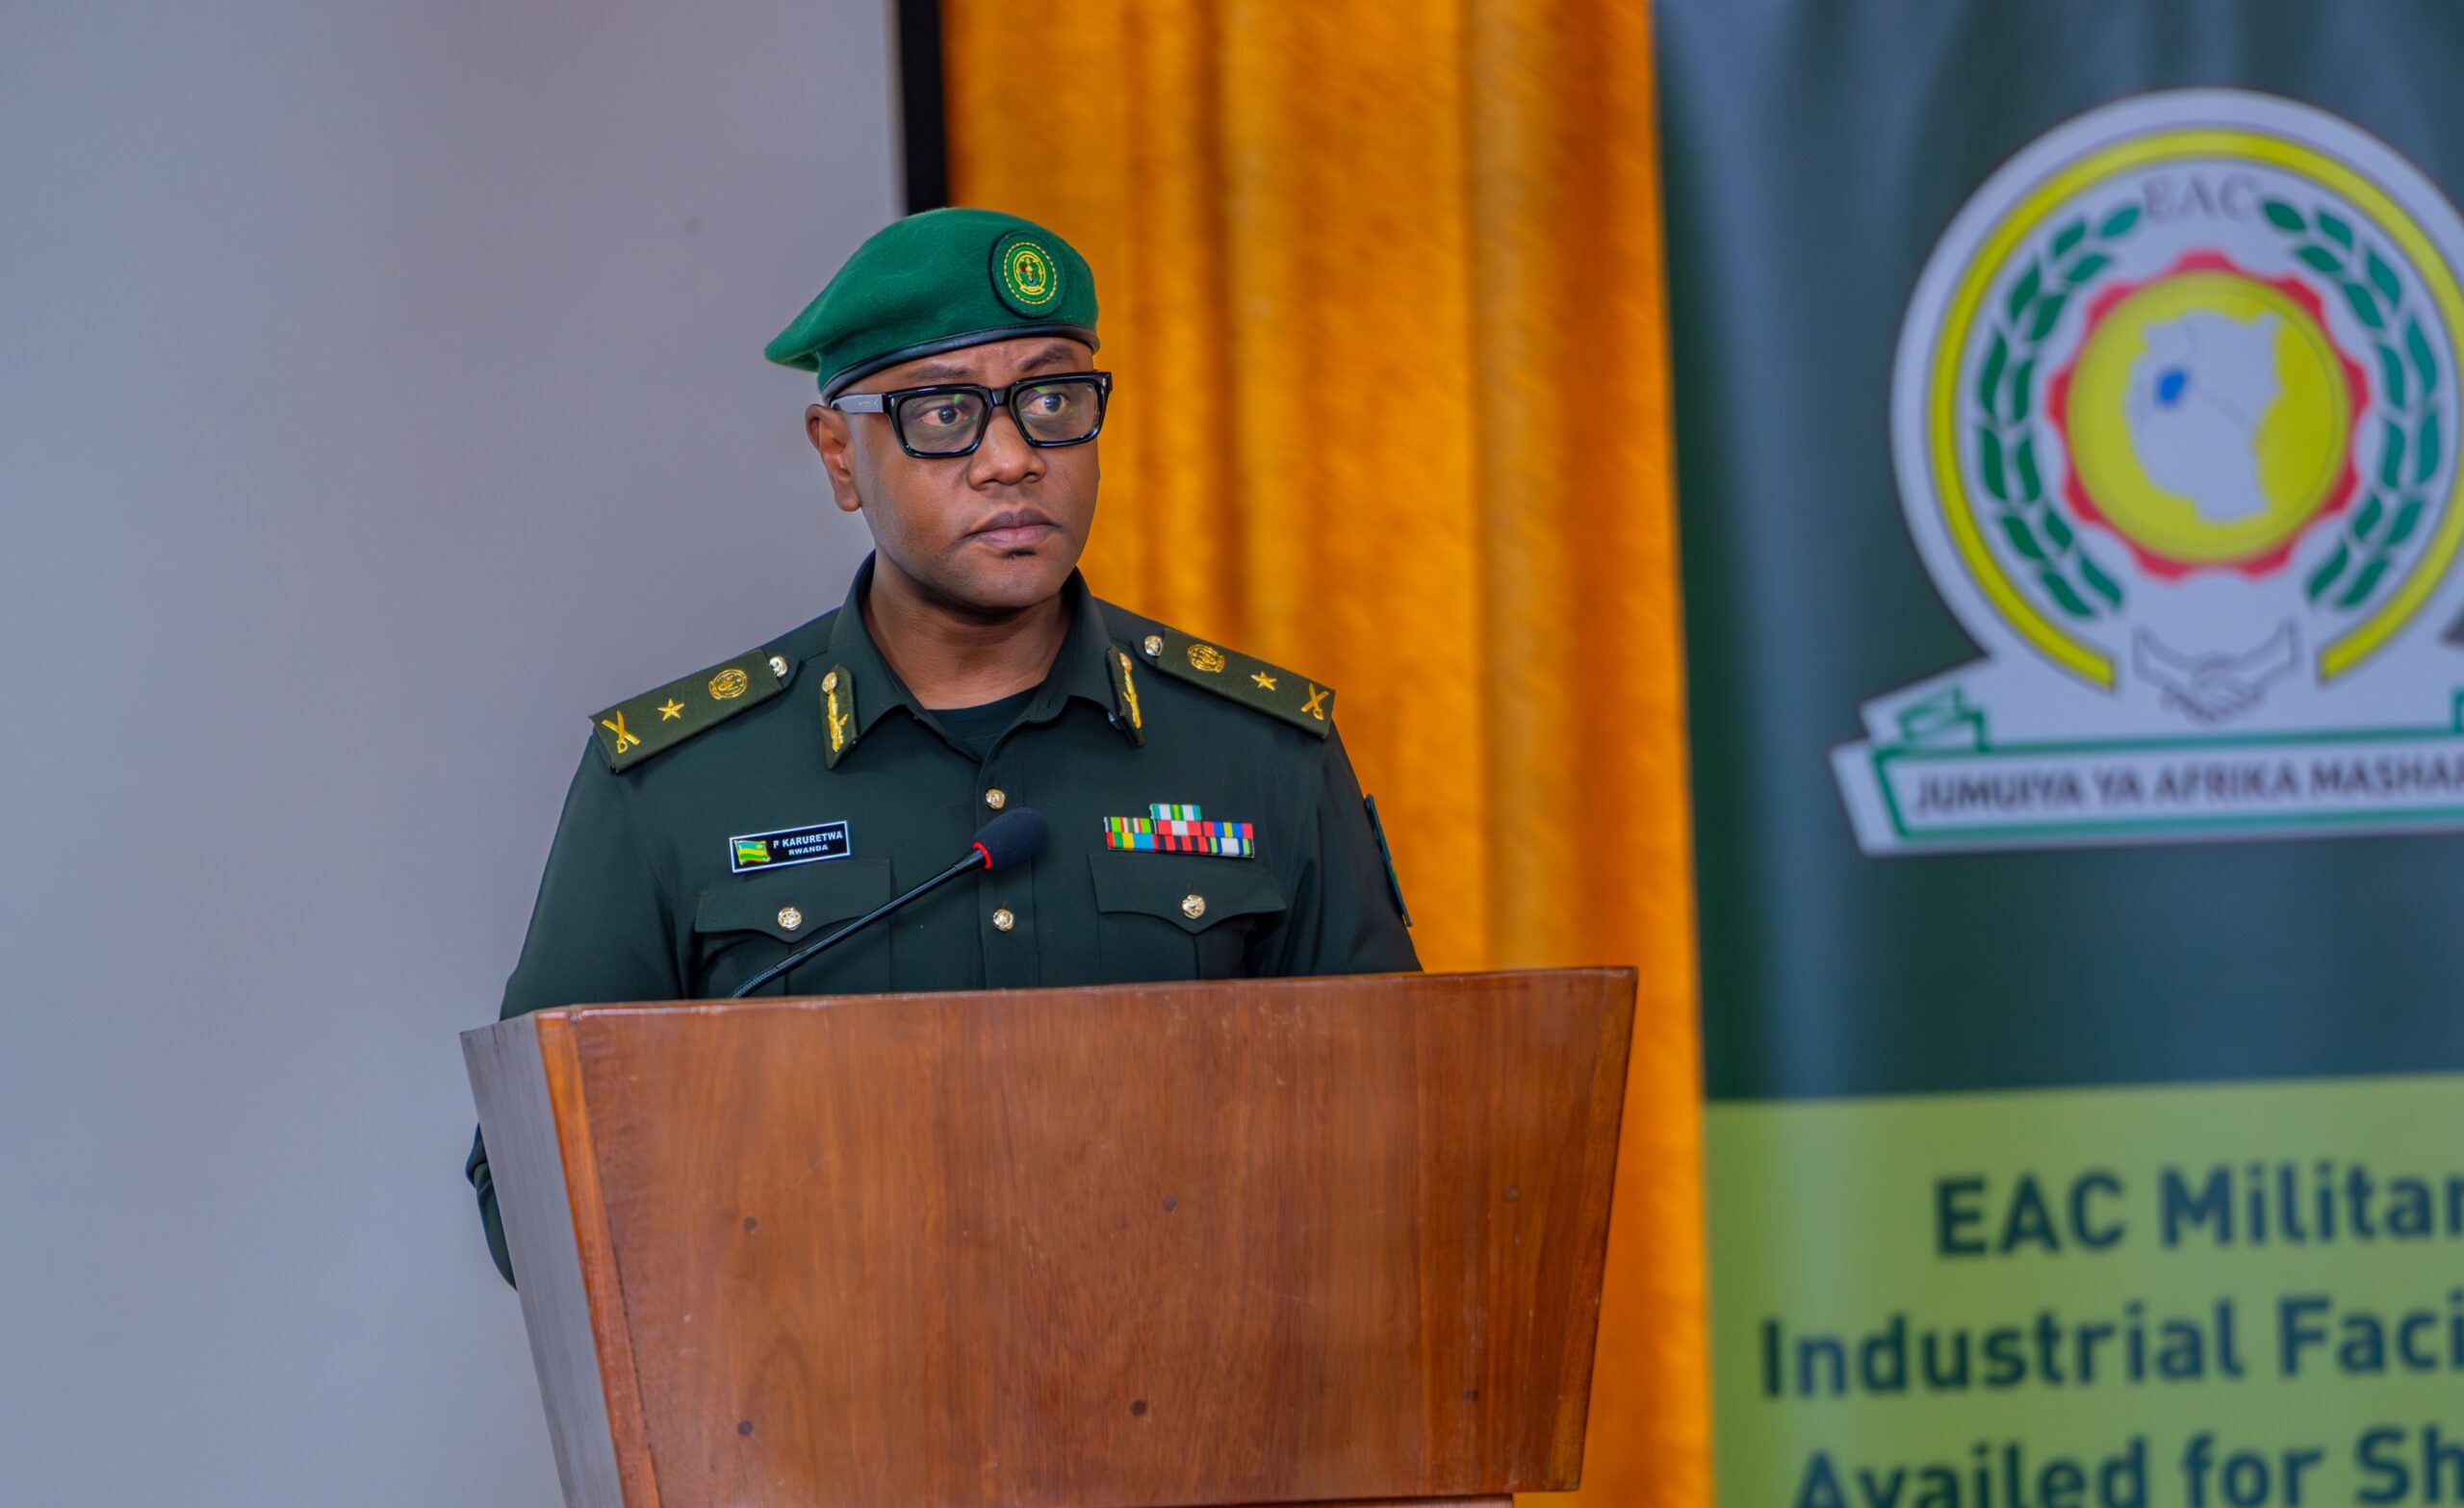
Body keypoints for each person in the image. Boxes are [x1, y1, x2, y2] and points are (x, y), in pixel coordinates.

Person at [465, 208, 1418, 1284]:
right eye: (944, 414)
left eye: (1052, 401)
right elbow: (532, 1191)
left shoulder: (1258, 755)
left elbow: (1396, 1138)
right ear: (839, 454)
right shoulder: (678, 785)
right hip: (819, 1382)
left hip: (1196, 1378)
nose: (1011, 460)